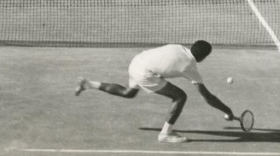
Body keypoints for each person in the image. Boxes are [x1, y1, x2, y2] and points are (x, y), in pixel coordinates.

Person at [75, 41, 235, 144]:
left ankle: (88, 84)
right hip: (146, 73)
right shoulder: (190, 68)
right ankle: (164, 135)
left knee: (128, 92)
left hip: (138, 61)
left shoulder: (178, 47)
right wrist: (227, 110)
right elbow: (207, 97)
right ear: (203, 57)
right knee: (180, 96)